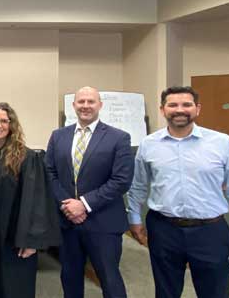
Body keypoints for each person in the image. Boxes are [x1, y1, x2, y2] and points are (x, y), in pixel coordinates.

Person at [127, 86, 229, 298]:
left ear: (197, 109)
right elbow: (137, 186)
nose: (180, 110)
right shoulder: (148, 145)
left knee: (215, 292)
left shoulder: (221, 143)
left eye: (186, 104)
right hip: (163, 229)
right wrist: (135, 219)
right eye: (173, 105)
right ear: (162, 109)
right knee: (166, 291)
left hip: (210, 231)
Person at [45, 86, 133, 298]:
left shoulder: (119, 138)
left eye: (91, 101)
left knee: (109, 279)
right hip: (68, 221)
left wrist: (83, 204)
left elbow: (121, 180)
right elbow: (49, 173)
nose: (85, 106)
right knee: (70, 276)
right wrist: (67, 204)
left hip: (103, 222)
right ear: (73, 105)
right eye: (81, 101)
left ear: (100, 105)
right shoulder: (58, 136)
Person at [0, 102, 60, 298]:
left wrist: (31, 241)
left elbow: (36, 201)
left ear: (11, 125)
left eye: (4, 121)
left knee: (13, 285)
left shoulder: (26, 157)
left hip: (13, 234)